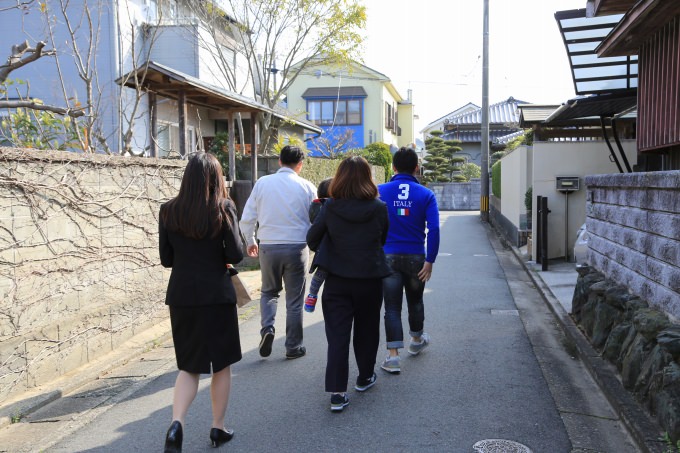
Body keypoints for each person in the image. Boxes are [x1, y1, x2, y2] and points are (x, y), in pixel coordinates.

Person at [159, 152, 244, 452]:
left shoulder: (168, 210)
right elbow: (235, 254)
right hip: (216, 296)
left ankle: (176, 423)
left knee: (189, 366)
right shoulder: (223, 207)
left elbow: (166, 259)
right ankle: (217, 428)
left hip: (182, 295)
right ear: (216, 178)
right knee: (221, 365)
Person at [307, 156, 390, 412]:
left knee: (338, 335)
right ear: (368, 178)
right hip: (369, 280)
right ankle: (365, 377)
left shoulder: (330, 207)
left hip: (337, 282)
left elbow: (312, 239)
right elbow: (382, 239)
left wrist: (332, 243)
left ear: (340, 177)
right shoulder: (379, 208)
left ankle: (337, 392)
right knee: (367, 330)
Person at [240, 145, 317, 359]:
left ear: (279, 162)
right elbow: (317, 220)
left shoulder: (263, 183)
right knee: (294, 299)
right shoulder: (307, 187)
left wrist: (250, 240)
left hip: (268, 246)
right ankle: (293, 347)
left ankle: (267, 329)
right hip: (297, 246)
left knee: (269, 292)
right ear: (300, 165)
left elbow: (247, 218)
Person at [378, 146, 440, 374]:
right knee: (415, 300)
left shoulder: (380, 191)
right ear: (416, 168)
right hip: (416, 257)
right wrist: (430, 259)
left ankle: (393, 357)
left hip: (388, 257)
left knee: (392, 307)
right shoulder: (426, 194)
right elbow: (433, 229)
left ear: (393, 167)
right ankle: (416, 340)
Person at [304, 177, 332, 312]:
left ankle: (311, 295)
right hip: (333, 248)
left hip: (321, 249)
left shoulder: (315, 205)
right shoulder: (332, 206)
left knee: (319, 274)